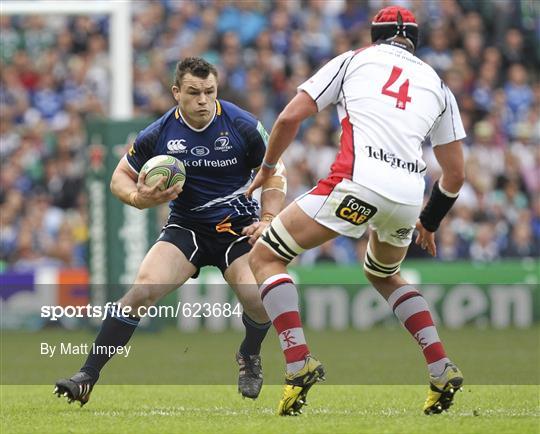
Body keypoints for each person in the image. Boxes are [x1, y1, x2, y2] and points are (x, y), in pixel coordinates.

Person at [247, 6, 466, 416]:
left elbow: (290, 115)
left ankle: (297, 363)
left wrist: (269, 167)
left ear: (374, 36)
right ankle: (440, 366)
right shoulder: (438, 85)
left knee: (266, 256)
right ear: (414, 41)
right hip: (406, 197)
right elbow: (455, 174)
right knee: (382, 273)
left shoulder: (354, 60)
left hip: (356, 184)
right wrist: (429, 221)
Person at [54, 57, 287, 405]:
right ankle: (87, 376)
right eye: (193, 92)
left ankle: (248, 355)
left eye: (209, 91)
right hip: (187, 228)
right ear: (176, 92)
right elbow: (119, 176)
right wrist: (138, 197)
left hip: (237, 229)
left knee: (259, 302)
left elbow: (275, 170)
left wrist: (268, 217)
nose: (203, 100)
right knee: (141, 292)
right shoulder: (158, 132)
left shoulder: (242, 125)